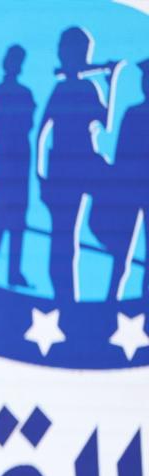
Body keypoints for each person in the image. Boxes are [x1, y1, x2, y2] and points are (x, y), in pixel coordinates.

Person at [36, 26, 118, 301]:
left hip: (85, 163)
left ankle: (110, 236)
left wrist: (111, 82)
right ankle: (65, 296)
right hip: (62, 169)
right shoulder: (61, 90)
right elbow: (41, 132)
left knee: (115, 186)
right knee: (63, 237)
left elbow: (105, 123)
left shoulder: (88, 87)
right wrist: (40, 175)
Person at [90, 57, 149, 299]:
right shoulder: (133, 114)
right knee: (121, 250)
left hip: (135, 189)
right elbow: (121, 154)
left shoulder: (134, 114)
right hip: (130, 191)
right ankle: (112, 298)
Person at [0, 45, 36, 287]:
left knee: (18, 221)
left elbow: (28, 124)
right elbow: (5, 118)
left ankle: (14, 272)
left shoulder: (25, 93)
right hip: (5, 161)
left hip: (20, 161)